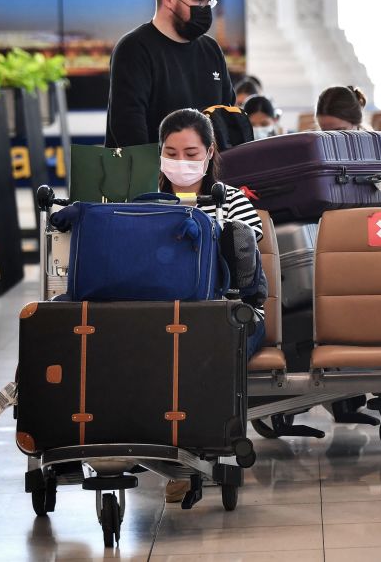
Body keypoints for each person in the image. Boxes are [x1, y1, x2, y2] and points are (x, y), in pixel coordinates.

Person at [157, 108, 265, 501]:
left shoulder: (232, 201)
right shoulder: (146, 205)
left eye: (190, 152)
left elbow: (245, 270)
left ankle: (195, 457)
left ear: (209, 153)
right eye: (171, 152)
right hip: (164, 317)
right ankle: (169, 454)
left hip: (233, 315)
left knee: (196, 351)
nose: (180, 162)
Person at [106, 0, 233, 147]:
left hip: (204, 173)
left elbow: (226, 117)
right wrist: (156, 174)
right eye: (198, 0)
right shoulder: (134, 48)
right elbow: (128, 127)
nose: (205, 9)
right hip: (150, 172)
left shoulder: (211, 49)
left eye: (209, 1)